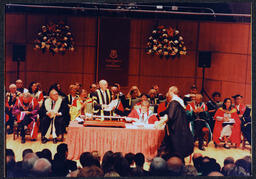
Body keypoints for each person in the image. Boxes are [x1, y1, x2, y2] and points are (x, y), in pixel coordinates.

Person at [158, 86, 194, 160]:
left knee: (169, 146)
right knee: (166, 144)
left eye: (168, 91)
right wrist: (159, 114)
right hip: (181, 129)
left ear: (172, 92)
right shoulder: (179, 102)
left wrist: (162, 121)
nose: (167, 94)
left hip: (175, 130)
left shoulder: (174, 102)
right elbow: (167, 111)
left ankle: (159, 159)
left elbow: (170, 115)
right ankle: (159, 158)